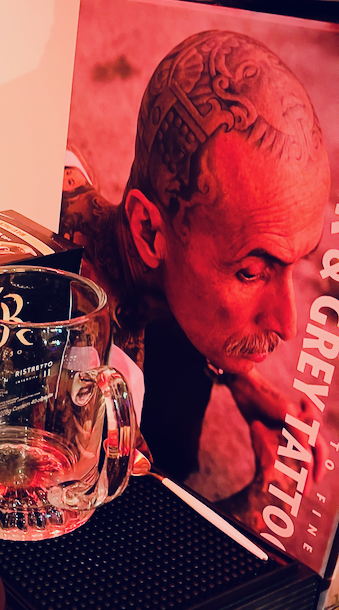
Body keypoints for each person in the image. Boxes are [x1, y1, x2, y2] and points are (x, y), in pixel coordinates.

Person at [60, 29, 331, 518]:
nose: (288, 324)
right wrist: (258, 504)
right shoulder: (76, 370)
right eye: (252, 272)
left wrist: (241, 380)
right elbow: (138, 546)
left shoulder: (68, 164)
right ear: (148, 230)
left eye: (294, 264)